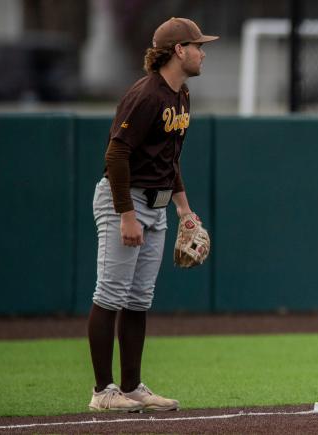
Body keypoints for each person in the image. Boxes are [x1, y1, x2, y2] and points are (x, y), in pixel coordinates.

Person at [87, 17, 218, 412]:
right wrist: (126, 214)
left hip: (157, 205)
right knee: (110, 294)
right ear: (179, 50)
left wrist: (185, 211)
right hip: (122, 199)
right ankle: (101, 392)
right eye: (197, 45)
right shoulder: (146, 96)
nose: (203, 52)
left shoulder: (182, 96)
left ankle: (130, 387)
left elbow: (168, 159)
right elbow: (116, 154)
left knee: (139, 298)